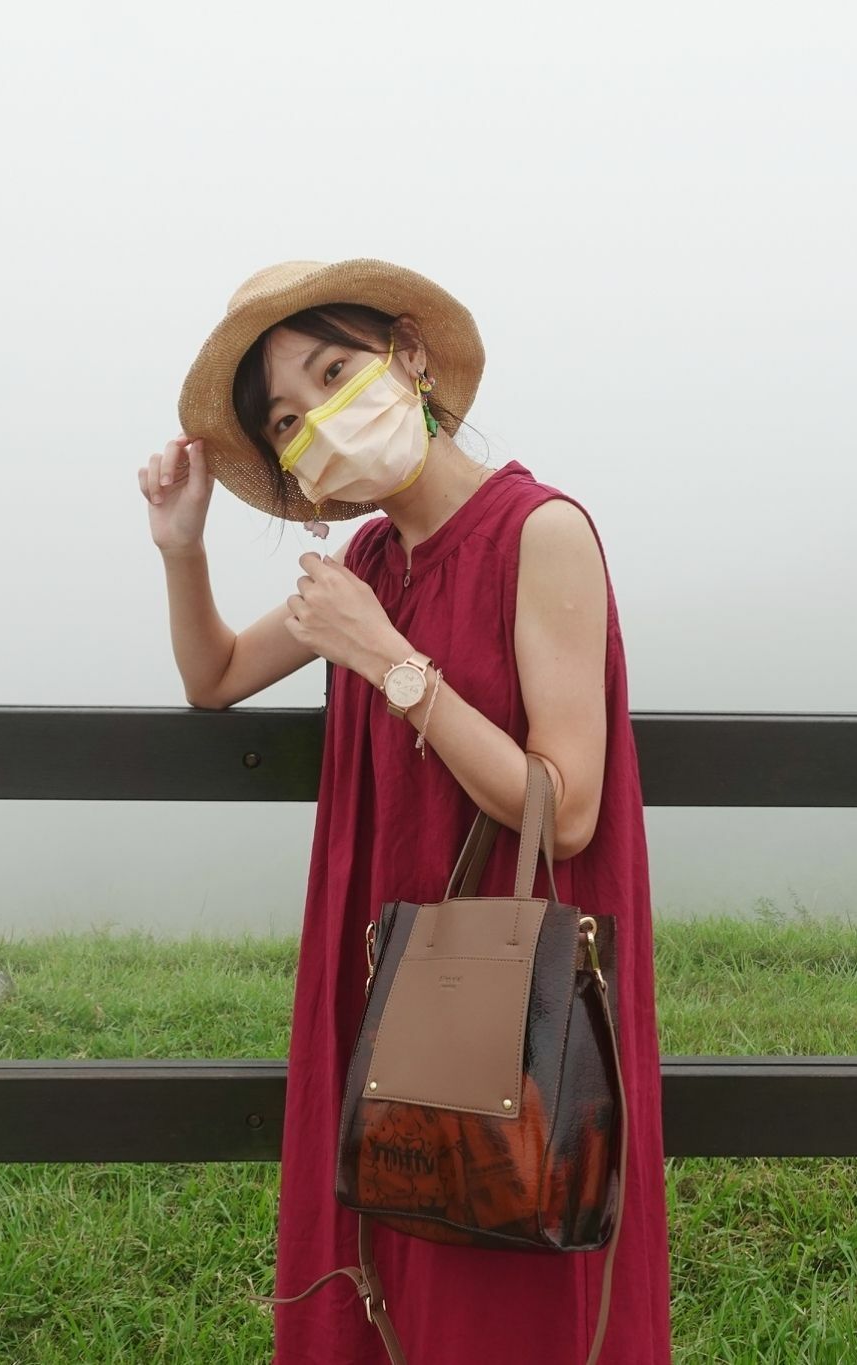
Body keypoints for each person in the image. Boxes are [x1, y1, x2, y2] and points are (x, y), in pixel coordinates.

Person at [142, 258, 672, 1362]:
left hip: (510, 986)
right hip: (389, 974)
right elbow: (215, 674)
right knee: (386, 1268)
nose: (317, 419)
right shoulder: (369, 561)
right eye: (286, 420)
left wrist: (386, 658)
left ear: (410, 358)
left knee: (502, 1293)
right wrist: (181, 546)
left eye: (333, 372)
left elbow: (566, 808)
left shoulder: (539, 531)